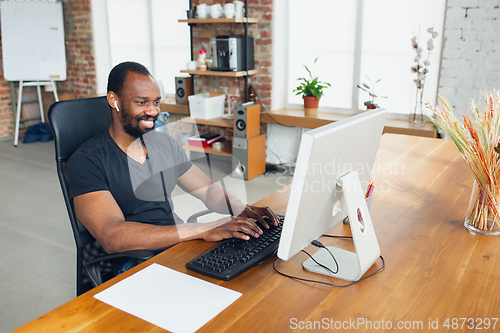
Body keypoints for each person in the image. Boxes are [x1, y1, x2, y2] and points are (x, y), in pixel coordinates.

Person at [67, 61, 279, 263]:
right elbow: (112, 236)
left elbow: (207, 190)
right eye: (141, 102)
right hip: (135, 261)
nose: (153, 111)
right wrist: (203, 229)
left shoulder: (163, 143)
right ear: (114, 101)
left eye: (156, 102)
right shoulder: (87, 161)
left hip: (178, 244)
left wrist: (240, 208)